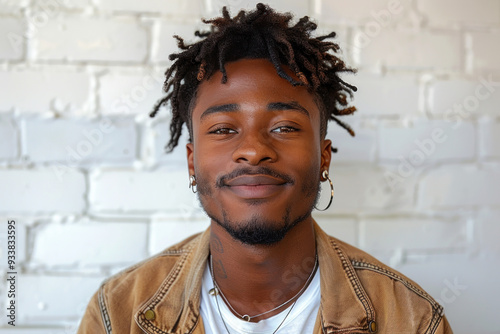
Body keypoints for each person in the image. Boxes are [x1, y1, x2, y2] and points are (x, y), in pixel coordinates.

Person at [78, 4, 453, 334]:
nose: (254, 151)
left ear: (324, 158)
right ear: (192, 161)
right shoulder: (119, 312)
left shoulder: (411, 319)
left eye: (285, 127)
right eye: (224, 129)